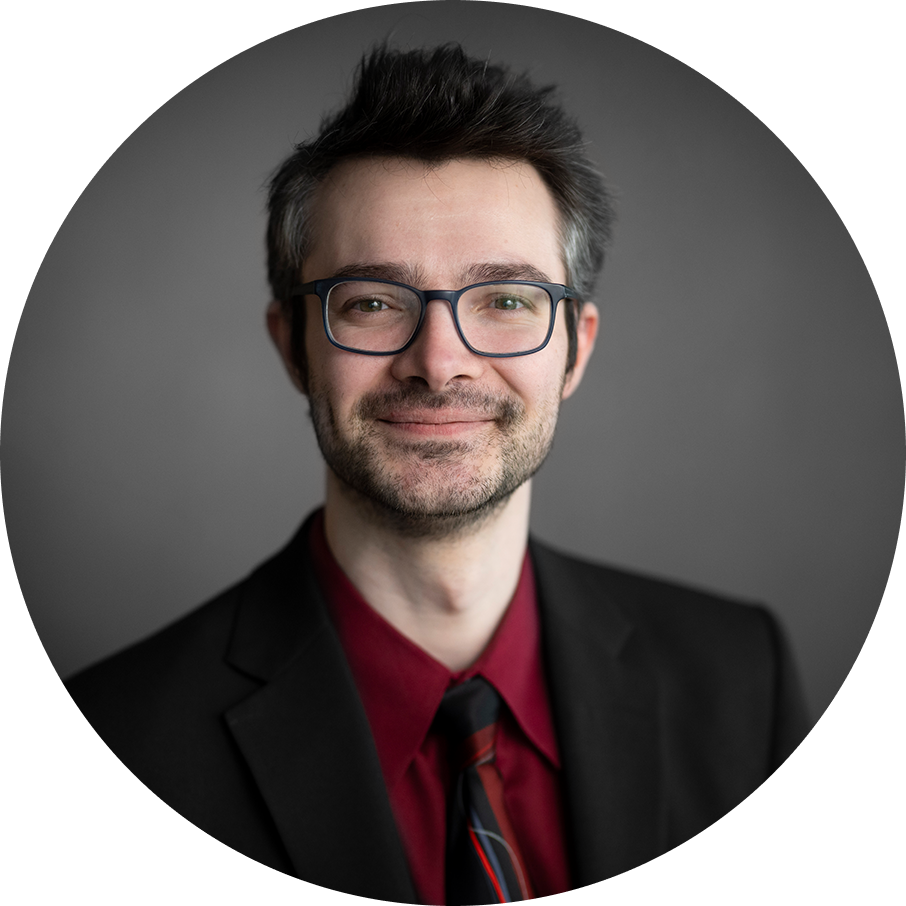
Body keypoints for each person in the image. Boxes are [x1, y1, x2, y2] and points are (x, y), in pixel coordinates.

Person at [6, 44, 846, 906]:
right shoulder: (106, 759)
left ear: (576, 349)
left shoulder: (742, 678)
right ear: (292, 344)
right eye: (372, 302)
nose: (439, 362)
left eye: (507, 300)